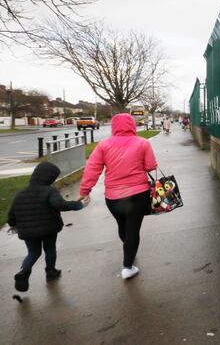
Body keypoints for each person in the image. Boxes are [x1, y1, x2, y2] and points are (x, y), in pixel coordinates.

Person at [79, 113, 158, 280]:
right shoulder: (142, 143)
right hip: (138, 195)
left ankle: (128, 250)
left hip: (113, 197)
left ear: (114, 126)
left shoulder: (103, 145)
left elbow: (92, 169)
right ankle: (128, 266)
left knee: (123, 226)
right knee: (133, 229)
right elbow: (151, 166)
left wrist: (85, 190)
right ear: (132, 125)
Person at [7, 162, 87, 292]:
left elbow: (11, 215)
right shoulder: (49, 191)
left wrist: (14, 225)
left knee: (33, 253)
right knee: (50, 249)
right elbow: (60, 205)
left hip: (28, 231)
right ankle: (51, 272)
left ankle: (23, 272)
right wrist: (79, 205)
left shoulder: (21, 193)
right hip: (48, 228)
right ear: (49, 178)